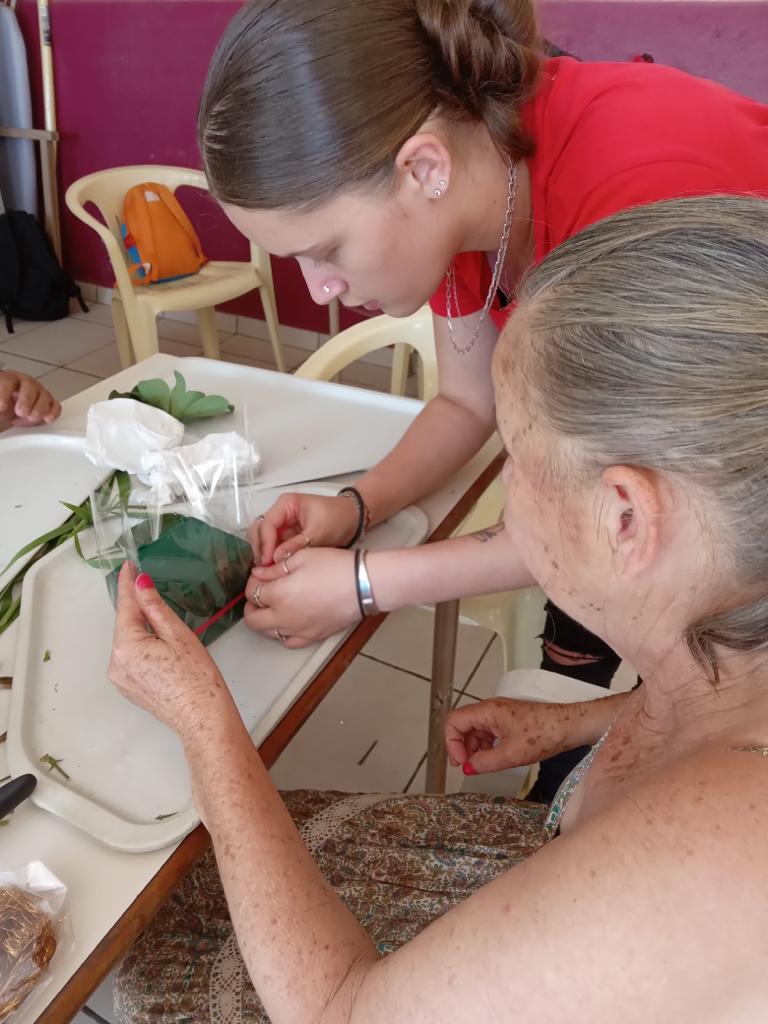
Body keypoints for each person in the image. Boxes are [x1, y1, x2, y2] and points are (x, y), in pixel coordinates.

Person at [110, 195, 768, 1022]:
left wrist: (207, 727)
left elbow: (342, 1012)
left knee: (164, 947)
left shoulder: (717, 860)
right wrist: (577, 724)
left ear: (626, 518)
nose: (505, 486)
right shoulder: (730, 647)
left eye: (516, 455)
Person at [196, 0, 768, 801]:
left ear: (422, 168)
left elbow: (631, 523)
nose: (318, 289)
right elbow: (468, 405)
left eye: (324, 251)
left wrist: (365, 584)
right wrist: (355, 508)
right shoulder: (472, 190)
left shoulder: (636, 201)